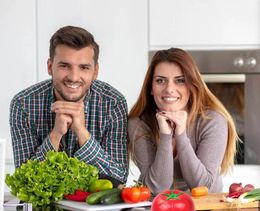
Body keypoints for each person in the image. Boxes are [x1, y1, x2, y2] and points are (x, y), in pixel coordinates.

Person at [10, 25, 128, 185]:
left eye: (84, 68)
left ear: (95, 71)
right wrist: (55, 135)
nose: (73, 77)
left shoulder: (113, 103)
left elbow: (119, 178)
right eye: (64, 66)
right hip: (45, 208)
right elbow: (23, 181)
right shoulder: (23, 104)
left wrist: (82, 133)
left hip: (94, 207)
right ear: (50, 67)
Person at [128, 48, 238, 194]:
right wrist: (166, 136)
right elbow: (156, 189)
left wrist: (180, 134)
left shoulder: (212, 121)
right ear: (151, 88)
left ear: (191, 86)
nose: (169, 89)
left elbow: (203, 188)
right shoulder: (139, 123)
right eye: (160, 80)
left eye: (180, 81)